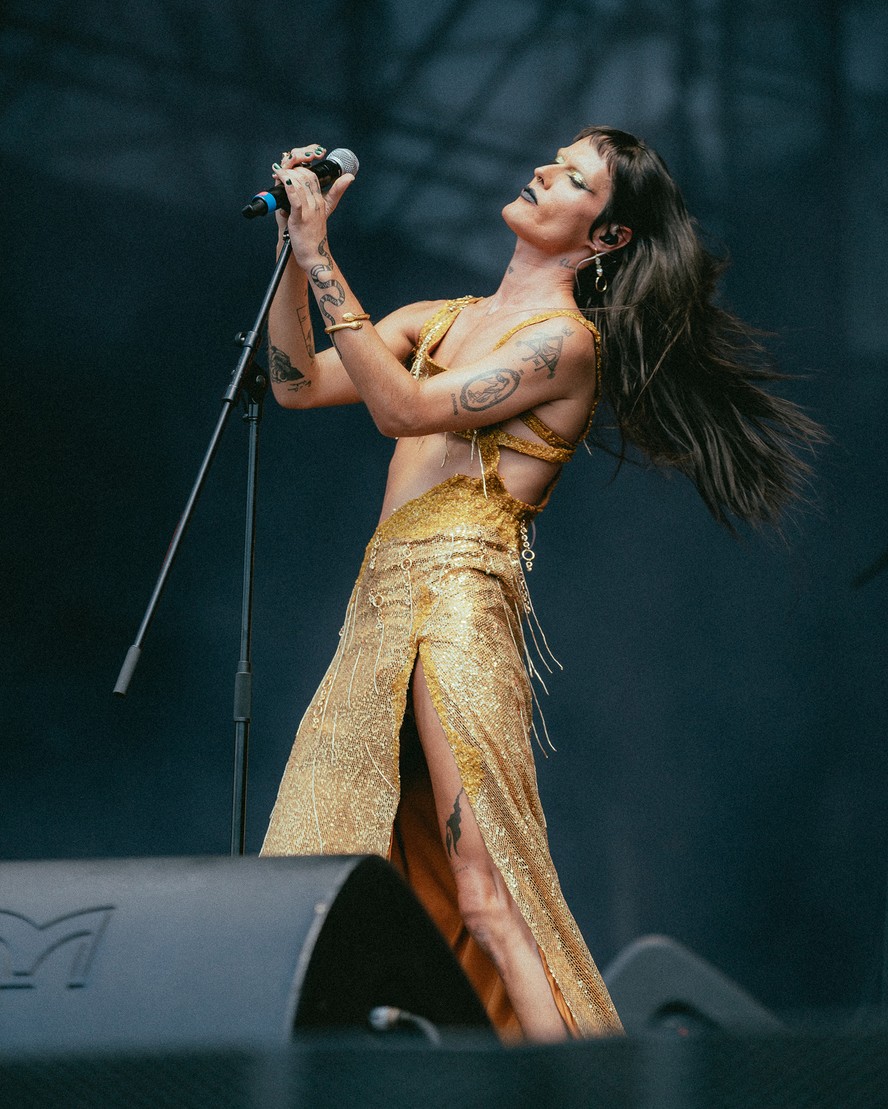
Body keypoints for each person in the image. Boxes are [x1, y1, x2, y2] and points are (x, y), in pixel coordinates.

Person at [259, 129, 821, 1042]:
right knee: (320, 876)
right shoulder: (435, 318)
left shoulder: (565, 343)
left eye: (571, 176)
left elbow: (403, 409)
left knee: (488, 891)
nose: (541, 171)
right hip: (376, 616)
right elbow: (294, 381)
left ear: (606, 238)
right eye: (552, 159)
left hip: (459, 615)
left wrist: (323, 255)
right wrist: (293, 251)